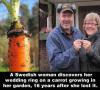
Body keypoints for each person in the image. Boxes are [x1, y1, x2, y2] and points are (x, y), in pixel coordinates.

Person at [46, 4, 83, 72]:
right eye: (64, 16)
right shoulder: (53, 36)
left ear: (73, 17)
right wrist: (73, 50)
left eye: (69, 16)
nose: (66, 19)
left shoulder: (78, 33)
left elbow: (82, 56)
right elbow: (56, 62)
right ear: (59, 17)